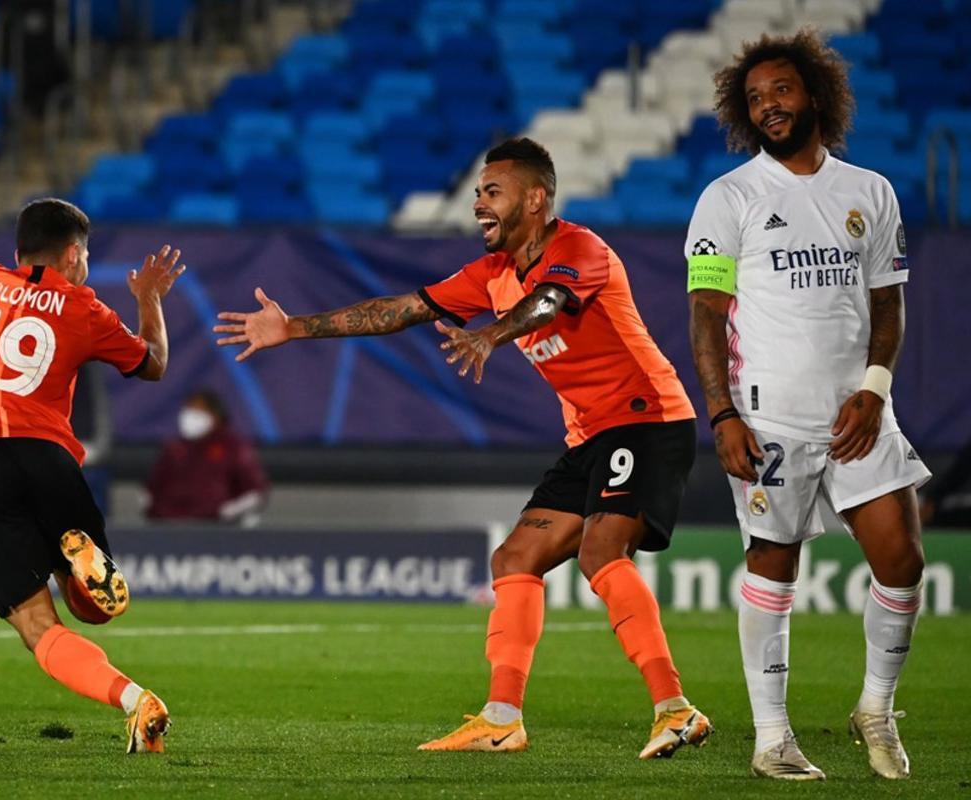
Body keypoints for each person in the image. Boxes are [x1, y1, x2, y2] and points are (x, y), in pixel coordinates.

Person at [215, 137, 712, 759]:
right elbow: (399, 310)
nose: (479, 202)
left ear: (535, 199)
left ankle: (675, 709)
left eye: (492, 191)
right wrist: (294, 328)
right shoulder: (492, 274)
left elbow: (551, 301)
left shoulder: (580, 249)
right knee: (514, 560)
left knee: (600, 549)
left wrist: (492, 335)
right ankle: (502, 719)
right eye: (478, 191)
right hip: (589, 433)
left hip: (645, 419)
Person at [686, 30, 931, 781]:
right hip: (770, 418)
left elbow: (887, 308)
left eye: (781, 91)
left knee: (903, 559)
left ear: (816, 93)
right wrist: (723, 415)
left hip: (860, 412)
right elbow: (704, 315)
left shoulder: (870, 192)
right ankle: (772, 739)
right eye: (755, 98)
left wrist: (874, 388)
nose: (769, 106)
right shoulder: (730, 198)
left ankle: (875, 711)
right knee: (773, 564)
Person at [0, 198, 186, 754]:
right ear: (72, 256)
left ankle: (133, 698)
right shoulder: (83, 308)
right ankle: (75, 565)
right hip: (48, 460)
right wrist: (150, 300)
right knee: (88, 608)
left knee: (36, 625)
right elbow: (154, 361)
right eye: (87, 255)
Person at [146, 389, 268, 524]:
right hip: (168, 527)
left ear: (215, 416)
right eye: (188, 410)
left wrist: (229, 512)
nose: (190, 416)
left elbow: (254, 492)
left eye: (197, 411)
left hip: (215, 530)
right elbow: (152, 487)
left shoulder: (235, 449)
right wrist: (153, 511)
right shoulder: (173, 449)